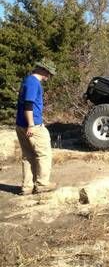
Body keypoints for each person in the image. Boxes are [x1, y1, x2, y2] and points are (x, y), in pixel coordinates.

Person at [16, 58, 57, 196]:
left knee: (28, 155)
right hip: (32, 126)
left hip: (21, 124)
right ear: (43, 70)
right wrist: (32, 125)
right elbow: (28, 105)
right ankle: (42, 184)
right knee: (44, 154)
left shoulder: (27, 80)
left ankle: (27, 187)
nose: (49, 76)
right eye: (49, 73)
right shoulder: (34, 83)